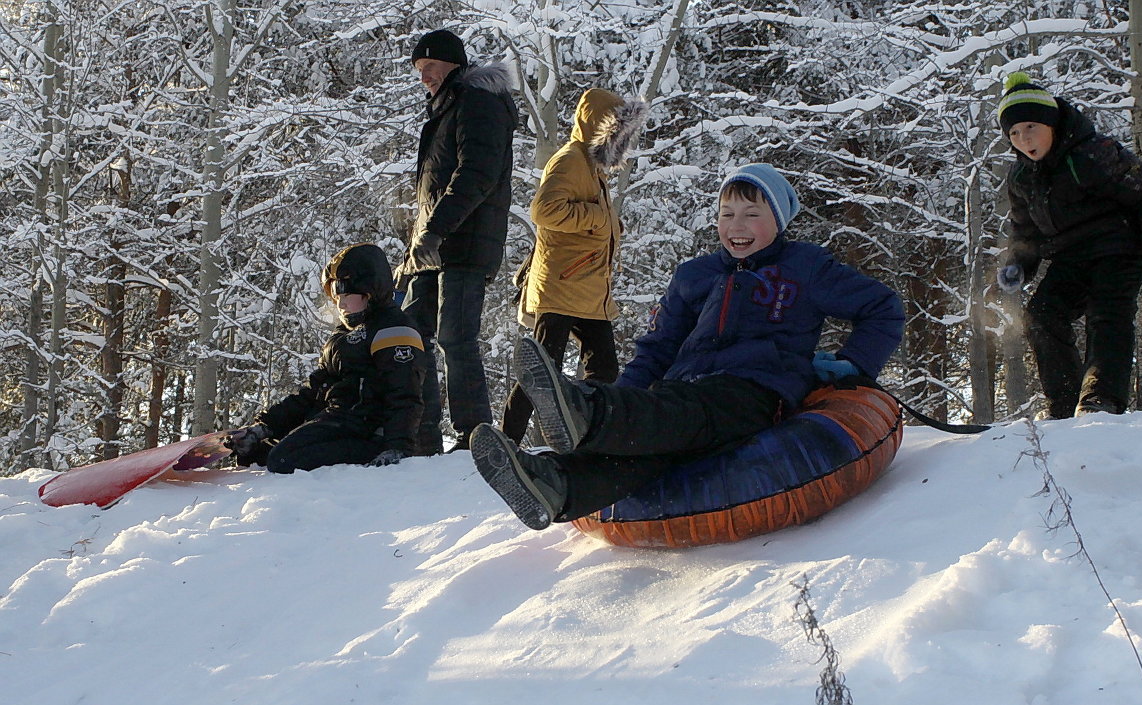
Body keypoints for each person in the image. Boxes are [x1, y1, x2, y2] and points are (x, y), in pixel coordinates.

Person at [468, 163, 905, 530]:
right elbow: (658, 348)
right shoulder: (695, 275)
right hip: (682, 388)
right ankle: (556, 483)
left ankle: (587, 408)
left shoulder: (805, 267)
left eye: (752, 214)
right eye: (727, 213)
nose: (737, 226)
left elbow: (883, 308)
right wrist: (627, 395)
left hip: (754, 390)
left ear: (779, 219)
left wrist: (853, 365)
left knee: (685, 412)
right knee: (652, 449)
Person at [994, 71, 1142, 418]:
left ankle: (1101, 400)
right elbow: (1025, 230)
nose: (1023, 138)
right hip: (1069, 257)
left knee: (1107, 314)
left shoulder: (1094, 153)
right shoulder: (1021, 177)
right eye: (1014, 133)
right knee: (1041, 315)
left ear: (1051, 123)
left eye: (1030, 127)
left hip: (1119, 248)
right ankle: (1063, 404)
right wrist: (1017, 263)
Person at [501, 88, 649, 445]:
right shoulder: (570, 160)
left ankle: (590, 438)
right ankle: (507, 440)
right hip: (562, 285)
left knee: (604, 370)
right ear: (599, 128)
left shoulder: (592, 166)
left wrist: (610, 226)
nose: (622, 141)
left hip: (587, 287)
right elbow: (544, 211)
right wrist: (600, 219)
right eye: (617, 132)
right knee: (542, 370)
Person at [398, 28, 518, 454]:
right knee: (412, 334)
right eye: (418, 69)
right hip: (436, 244)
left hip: (464, 243)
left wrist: (437, 229)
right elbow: (433, 189)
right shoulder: (447, 107)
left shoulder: (477, 102)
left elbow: (476, 174)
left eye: (430, 65)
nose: (424, 75)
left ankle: (474, 436)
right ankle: (422, 435)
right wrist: (419, 241)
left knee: (455, 337)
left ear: (453, 63)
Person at [225, 243, 426, 473]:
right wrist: (265, 426)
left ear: (371, 291)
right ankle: (256, 447)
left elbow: (404, 394)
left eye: (347, 294)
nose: (341, 304)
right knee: (264, 456)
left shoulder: (394, 328)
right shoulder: (342, 335)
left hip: (368, 430)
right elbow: (313, 391)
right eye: (336, 295)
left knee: (283, 459)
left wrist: (397, 446)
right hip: (339, 421)